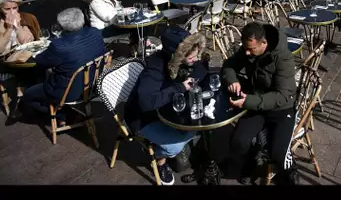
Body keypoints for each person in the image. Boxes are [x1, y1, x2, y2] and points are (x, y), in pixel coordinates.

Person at [124, 26, 208, 185]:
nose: (194, 60)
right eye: (191, 58)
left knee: (200, 126)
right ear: (176, 56)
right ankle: (159, 159)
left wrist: (193, 78)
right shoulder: (155, 68)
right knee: (175, 147)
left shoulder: (185, 59)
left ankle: (170, 143)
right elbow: (146, 103)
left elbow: (201, 68)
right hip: (142, 117)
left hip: (166, 110)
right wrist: (180, 87)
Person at [222, 22, 298, 185]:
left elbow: (283, 95)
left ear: (264, 43)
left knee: (278, 155)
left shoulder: (283, 57)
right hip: (256, 104)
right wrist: (232, 79)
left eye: (251, 49)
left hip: (280, 109)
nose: (247, 53)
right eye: (245, 48)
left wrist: (247, 101)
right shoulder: (249, 48)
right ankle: (252, 160)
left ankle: (290, 169)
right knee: (238, 142)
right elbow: (229, 64)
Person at [5, 8, 106, 126]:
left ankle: (61, 114)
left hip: (68, 92)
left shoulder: (59, 46)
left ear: (61, 26)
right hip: (93, 85)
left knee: (28, 95)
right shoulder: (95, 32)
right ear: (83, 20)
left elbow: (40, 62)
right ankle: (64, 113)